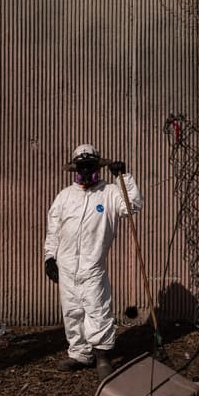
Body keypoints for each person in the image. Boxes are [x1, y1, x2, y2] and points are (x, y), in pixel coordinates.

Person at [44, 144, 142, 377]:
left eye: (90, 166)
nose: (86, 171)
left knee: (97, 310)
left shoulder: (109, 193)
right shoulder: (64, 196)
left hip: (93, 265)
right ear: (75, 169)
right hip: (66, 266)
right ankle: (79, 354)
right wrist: (49, 257)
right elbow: (53, 230)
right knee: (72, 312)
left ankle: (102, 356)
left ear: (98, 167)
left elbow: (132, 206)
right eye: (82, 167)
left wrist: (123, 178)